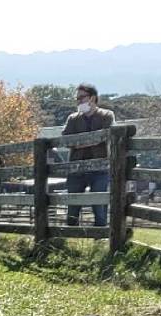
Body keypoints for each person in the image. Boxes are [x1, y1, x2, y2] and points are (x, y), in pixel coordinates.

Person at [62, 83, 115, 227]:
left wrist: (78, 142)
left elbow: (105, 136)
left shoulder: (107, 115)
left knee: (99, 205)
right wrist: (93, 141)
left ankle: (100, 239)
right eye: (77, 98)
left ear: (92, 98)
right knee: (72, 206)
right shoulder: (73, 119)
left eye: (82, 97)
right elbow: (66, 140)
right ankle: (71, 238)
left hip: (100, 168)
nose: (78, 101)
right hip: (76, 168)